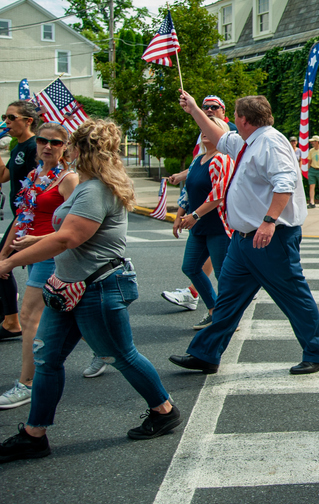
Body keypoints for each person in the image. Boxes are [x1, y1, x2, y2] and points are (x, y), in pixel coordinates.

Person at [0, 119, 182, 463]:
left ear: (80, 149)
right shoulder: (88, 185)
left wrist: (8, 262)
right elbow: (72, 231)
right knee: (47, 359)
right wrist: (36, 240)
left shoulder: (95, 189)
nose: (63, 150)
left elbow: (69, 238)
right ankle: (34, 434)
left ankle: (164, 410)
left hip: (97, 288)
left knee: (121, 355)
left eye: (67, 144)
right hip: (70, 288)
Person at [169, 91, 319, 375]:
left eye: (234, 116)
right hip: (243, 240)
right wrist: (194, 109)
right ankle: (205, 354)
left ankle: (318, 353)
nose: (230, 121)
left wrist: (269, 221)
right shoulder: (247, 142)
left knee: (293, 297)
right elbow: (219, 137)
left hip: (270, 238)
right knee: (228, 299)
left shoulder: (270, 142)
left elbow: (285, 182)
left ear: (244, 120)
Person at [0, 123, 78, 410]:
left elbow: (76, 228)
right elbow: (22, 216)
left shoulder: (68, 179)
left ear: (64, 147)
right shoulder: (35, 175)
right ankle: (105, 350)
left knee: (29, 316)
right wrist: (5, 254)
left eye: (55, 143)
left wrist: (38, 241)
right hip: (31, 255)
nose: (47, 146)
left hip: (51, 255)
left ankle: (27, 384)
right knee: (69, 314)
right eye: (43, 140)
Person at [161, 96, 238, 313]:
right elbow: (187, 191)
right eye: (204, 127)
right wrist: (179, 215)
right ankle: (214, 309)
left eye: (211, 127)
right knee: (191, 267)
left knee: (223, 274)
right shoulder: (198, 160)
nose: (205, 131)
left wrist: (194, 215)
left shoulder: (222, 159)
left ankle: (228, 316)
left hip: (217, 225)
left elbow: (218, 194)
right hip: (198, 226)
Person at [0, 100, 38, 341]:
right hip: (19, 217)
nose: (6, 122)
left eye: (11, 117)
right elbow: (3, 176)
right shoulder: (17, 147)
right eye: (5, 117)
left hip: (29, 219)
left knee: (2, 261)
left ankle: (12, 321)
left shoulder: (35, 147)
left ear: (28, 121)